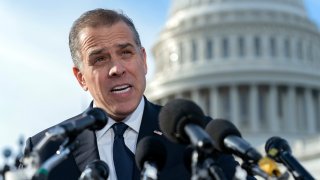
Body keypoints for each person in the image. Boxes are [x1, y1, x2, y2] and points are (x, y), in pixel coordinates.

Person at [23, 8, 241, 180]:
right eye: (100, 59)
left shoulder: (199, 138)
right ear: (80, 77)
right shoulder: (46, 151)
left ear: (144, 60)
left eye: (125, 53)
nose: (117, 69)